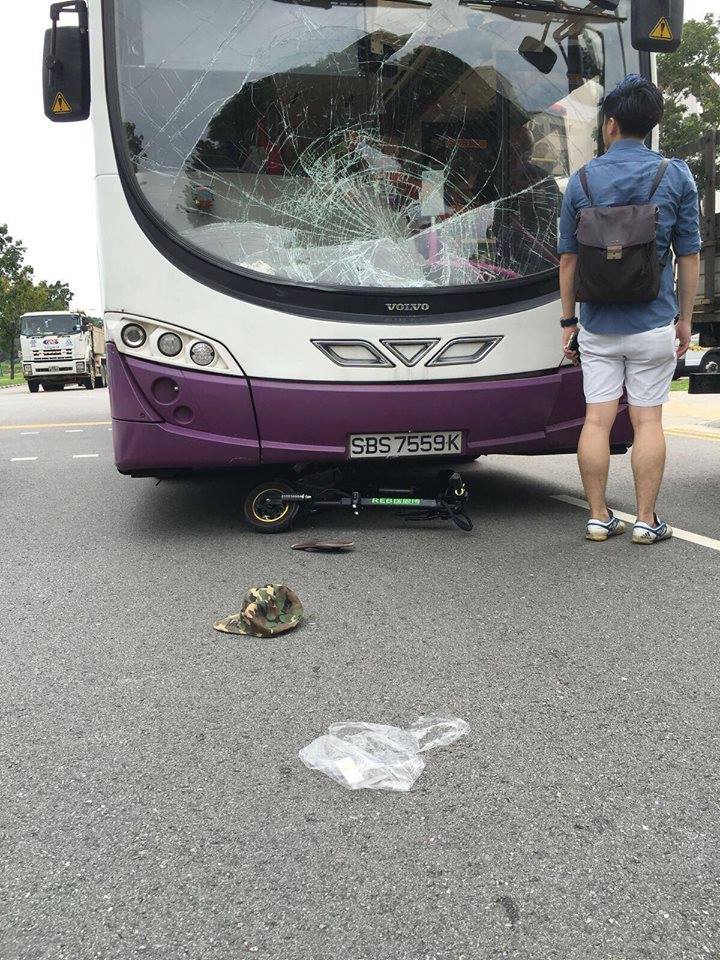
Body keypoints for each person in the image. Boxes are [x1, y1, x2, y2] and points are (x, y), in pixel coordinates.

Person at [557, 75, 701, 544]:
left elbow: (568, 261)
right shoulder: (674, 175)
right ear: (650, 124)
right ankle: (645, 520)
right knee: (648, 420)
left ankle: (599, 517)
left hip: (598, 325)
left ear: (610, 124)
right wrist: (685, 320)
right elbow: (689, 256)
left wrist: (569, 321)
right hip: (653, 323)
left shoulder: (581, 181)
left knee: (597, 420)